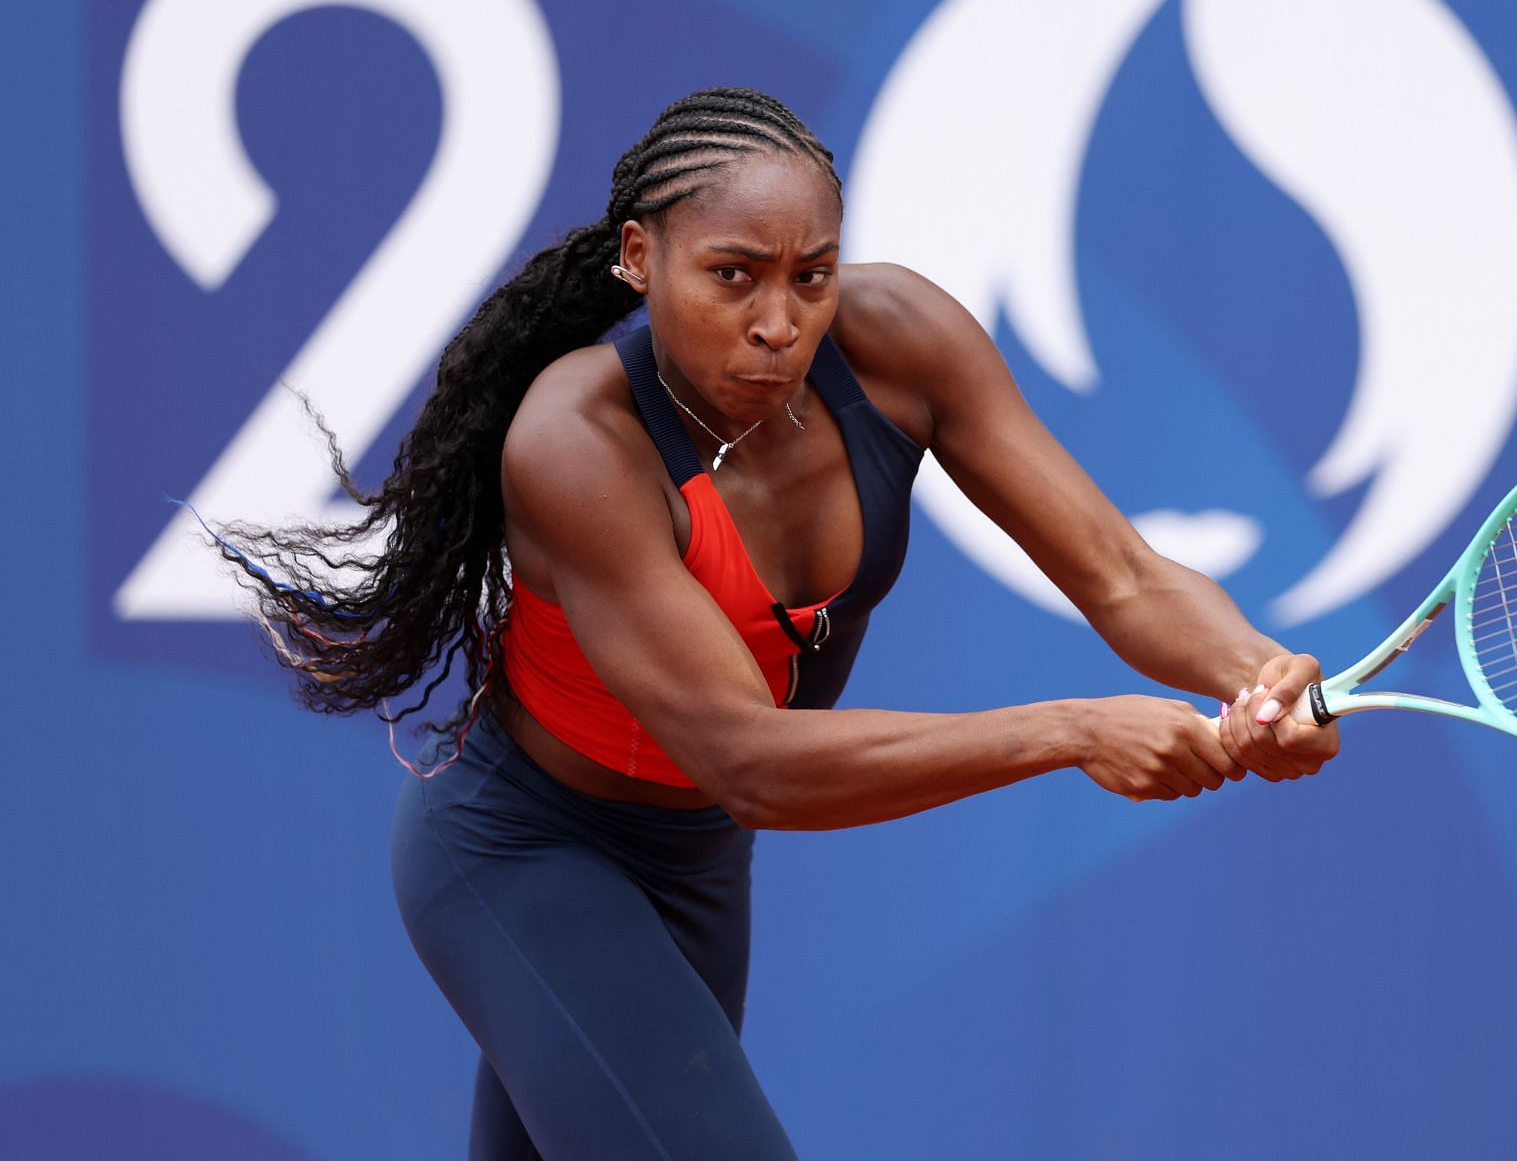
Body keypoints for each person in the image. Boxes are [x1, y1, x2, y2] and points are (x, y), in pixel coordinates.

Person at [225, 87, 1337, 1159]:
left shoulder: (902, 343)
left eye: (812, 277)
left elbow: (1123, 574)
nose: (779, 323)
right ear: (636, 257)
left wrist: (1255, 674)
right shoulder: (576, 443)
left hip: (701, 859)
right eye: (733, 276)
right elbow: (750, 758)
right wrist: (1073, 730)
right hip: (527, 853)